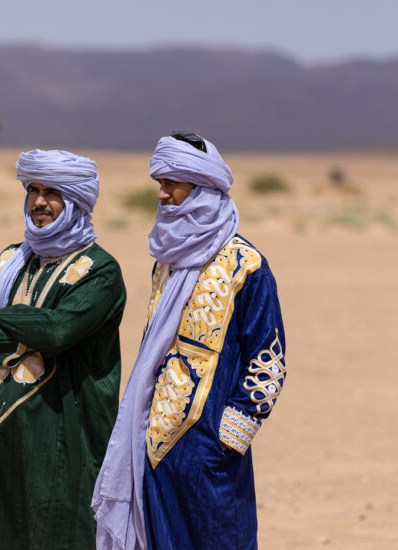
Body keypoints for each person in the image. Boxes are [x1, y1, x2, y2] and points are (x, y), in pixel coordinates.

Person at [92, 132, 286, 550]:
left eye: (171, 183)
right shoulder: (167, 261)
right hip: (155, 442)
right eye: (159, 183)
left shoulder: (246, 265)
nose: (161, 194)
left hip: (210, 450)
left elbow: (268, 359)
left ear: (200, 187)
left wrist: (227, 440)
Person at [0, 149, 126, 550]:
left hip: (59, 438)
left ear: (75, 200)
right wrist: (30, 324)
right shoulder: (11, 260)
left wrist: (3, 314)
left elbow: (59, 333)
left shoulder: (100, 271)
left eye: (52, 192)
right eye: (33, 190)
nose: (39, 202)